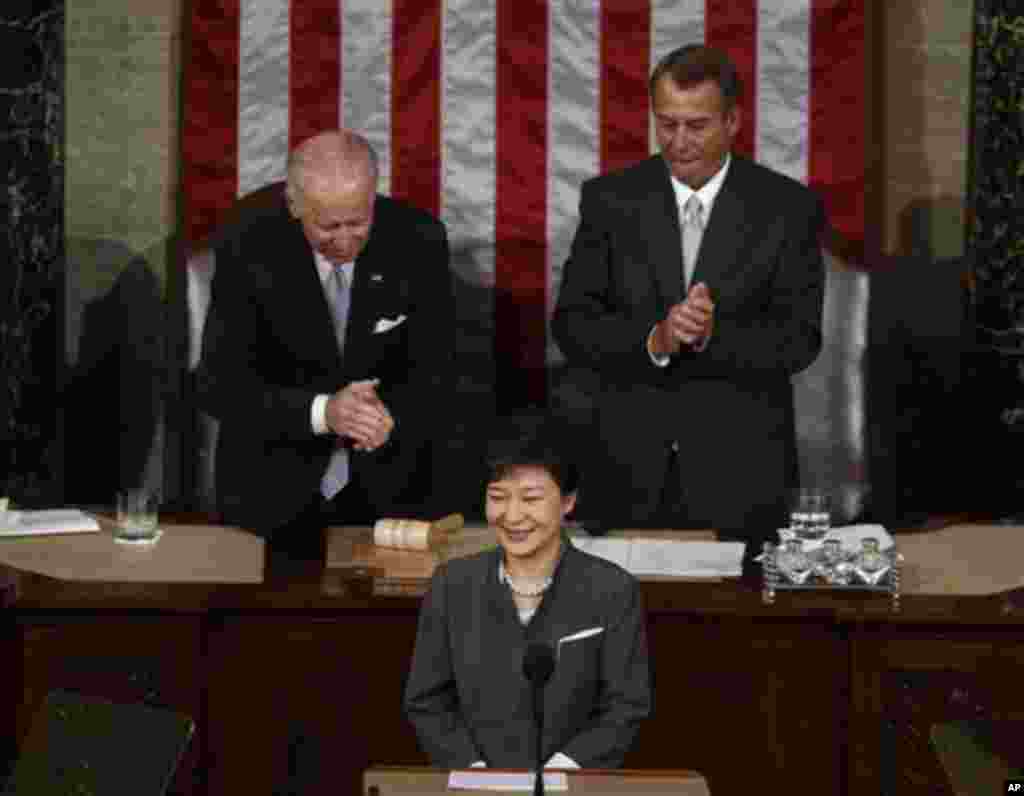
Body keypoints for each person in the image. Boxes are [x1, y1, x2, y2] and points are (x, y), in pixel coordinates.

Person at [552, 45, 826, 548]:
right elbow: (571, 325)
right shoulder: (610, 202)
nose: (679, 142)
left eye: (696, 126)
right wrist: (654, 338)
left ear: (733, 120)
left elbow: (799, 339)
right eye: (667, 124)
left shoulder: (787, 209)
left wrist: (710, 336)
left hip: (742, 480)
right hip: (626, 473)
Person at [197, 130, 454, 558]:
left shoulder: (417, 239)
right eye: (328, 226)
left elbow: (439, 367)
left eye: (358, 222)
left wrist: (387, 414)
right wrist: (325, 412)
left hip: (390, 490)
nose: (345, 239)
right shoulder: (248, 245)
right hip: (270, 491)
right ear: (295, 206)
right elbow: (218, 383)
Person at [404, 426, 651, 769]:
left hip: (571, 786)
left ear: (568, 501)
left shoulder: (613, 589)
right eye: (498, 497)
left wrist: (558, 773)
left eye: (531, 498)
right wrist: (474, 772)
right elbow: (427, 701)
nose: (513, 515)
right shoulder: (451, 584)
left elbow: (626, 706)